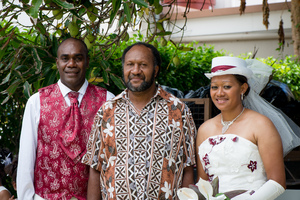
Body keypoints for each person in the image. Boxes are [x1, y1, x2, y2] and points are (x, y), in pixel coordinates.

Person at [81, 42, 196, 199]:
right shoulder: (107, 111)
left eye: (143, 65)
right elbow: (96, 167)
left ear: (155, 70)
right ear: (123, 69)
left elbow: (188, 167)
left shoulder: (178, 111)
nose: (135, 71)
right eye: (130, 64)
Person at [17, 37, 115, 200]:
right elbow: (26, 160)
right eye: (65, 58)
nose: (71, 64)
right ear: (57, 63)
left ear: (87, 62)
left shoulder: (107, 101)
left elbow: (111, 160)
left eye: (78, 58)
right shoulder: (36, 102)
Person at [196, 56, 297, 200]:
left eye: (227, 86)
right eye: (214, 87)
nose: (219, 93)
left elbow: (277, 182)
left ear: (243, 88)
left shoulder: (261, 124)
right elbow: (203, 184)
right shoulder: (204, 129)